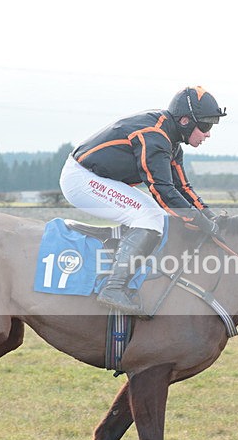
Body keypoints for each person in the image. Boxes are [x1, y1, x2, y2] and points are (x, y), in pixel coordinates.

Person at [60, 86, 226, 314]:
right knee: (149, 214)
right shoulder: (155, 138)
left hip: (94, 175)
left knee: (153, 213)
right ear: (185, 121)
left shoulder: (171, 141)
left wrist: (208, 215)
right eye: (206, 126)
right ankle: (113, 288)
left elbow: (182, 187)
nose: (208, 134)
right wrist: (199, 221)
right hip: (80, 178)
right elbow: (163, 192)